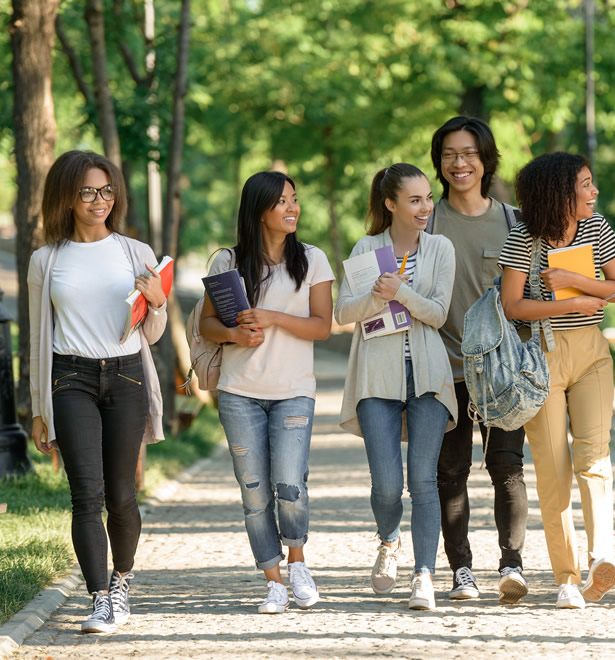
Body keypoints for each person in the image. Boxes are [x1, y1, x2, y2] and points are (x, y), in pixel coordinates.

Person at [28, 150, 168, 633]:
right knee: (85, 495)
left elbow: (152, 334)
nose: (99, 200)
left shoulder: (136, 253)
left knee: (122, 495)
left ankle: (122, 581)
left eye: (106, 190)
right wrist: (38, 408)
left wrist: (157, 303)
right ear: (66, 196)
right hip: (70, 379)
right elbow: (37, 337)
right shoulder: (45, 261)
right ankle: (99, 598)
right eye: (87, 191)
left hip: (127, 375)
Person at [198, 171, 334, 614]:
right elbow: (207, 326)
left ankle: (298, 563)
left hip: (294, 390)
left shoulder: (312, 259)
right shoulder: (227, 263)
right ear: (258, 210)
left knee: (290, 483)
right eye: (281, 202)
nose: (292, 208)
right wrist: (235, 336)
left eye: (295, 199)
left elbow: (322, 326)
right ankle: (273, 579)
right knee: (254, 491)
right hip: (239, 393)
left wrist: (273, 317)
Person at [499, 151, 615, 609]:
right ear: (559, 193)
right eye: (586, 185)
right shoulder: (523, 239)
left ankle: (601, 558)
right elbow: (513, 305)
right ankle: (567, 578)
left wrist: (577, 280)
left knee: (594, 459)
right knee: (554, 471)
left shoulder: (596, 228)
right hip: (541, 358)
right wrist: (567, 304)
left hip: (591, 353)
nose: (594, 192)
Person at [335, 163, 457, 611]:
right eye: (415, 200)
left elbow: (440, 313)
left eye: (428, 198)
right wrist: (377, 297)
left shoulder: (440, 248)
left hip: (427, 375)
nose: (425, 207)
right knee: (387, 485)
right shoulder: (367, 248)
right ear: (391, 204)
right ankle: (389, 541)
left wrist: (402, 292)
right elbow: (344, 313)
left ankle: (424, 574)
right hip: (376, 376)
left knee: (423, 480)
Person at [427, 116, 531, 603]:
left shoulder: (514, 222)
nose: (459, 163)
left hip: (500, 375)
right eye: (449, 154)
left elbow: (530, 294)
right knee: (450, 473)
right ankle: (460, 569)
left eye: (468, 153)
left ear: (486, 160)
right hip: (442, 370)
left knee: (506, 467)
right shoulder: (424, 222)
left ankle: (512, 565)